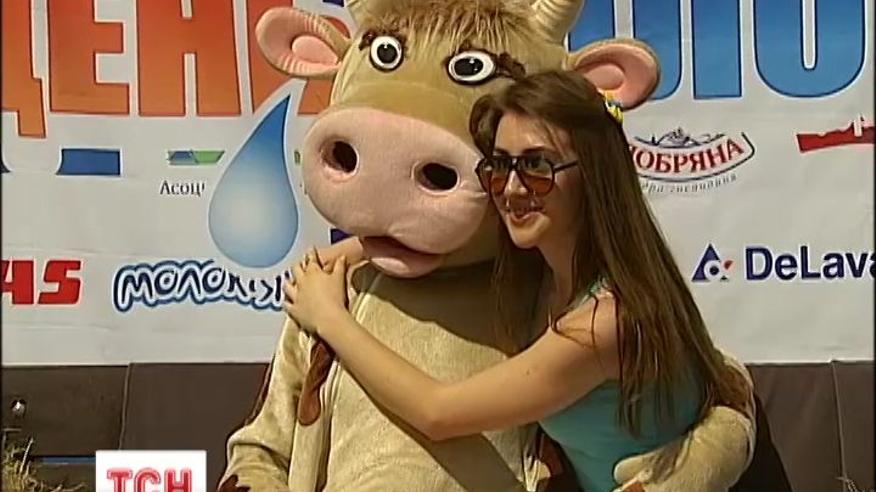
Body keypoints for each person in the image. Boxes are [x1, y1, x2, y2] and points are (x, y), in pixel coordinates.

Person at [283, 70, 751, 492]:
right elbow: (446, 231)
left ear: (593, 176)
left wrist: (330, 319)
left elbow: (438, 412)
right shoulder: (544, 267)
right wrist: (358, 247)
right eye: (500, 165)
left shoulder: (604, 323)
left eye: (537, 166)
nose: (511, 188)